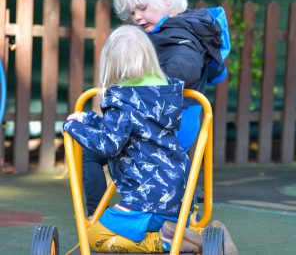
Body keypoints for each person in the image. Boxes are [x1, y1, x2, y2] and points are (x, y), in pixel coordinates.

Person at [62, 25, 202, 253]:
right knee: (159, 223)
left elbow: (107, 144)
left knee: (94, 236)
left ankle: (161, 244)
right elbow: (128, 129)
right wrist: (88, 119)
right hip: (179, 199)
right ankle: (189, 236)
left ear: (112, 67)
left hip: (144, 202)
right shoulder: (164, 97)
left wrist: (72, 127)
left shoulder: (123, 101)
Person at [112, 0, 230, 204]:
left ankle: (172, 221)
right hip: (156, 116)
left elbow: (185, 67)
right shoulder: (157, 33)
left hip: (174, 120)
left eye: (142, 7)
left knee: (108, 146)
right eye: (132, 11)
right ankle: (96, 216)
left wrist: (147, 82)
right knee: (97, 147)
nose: (137, 16)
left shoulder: (182, 33)